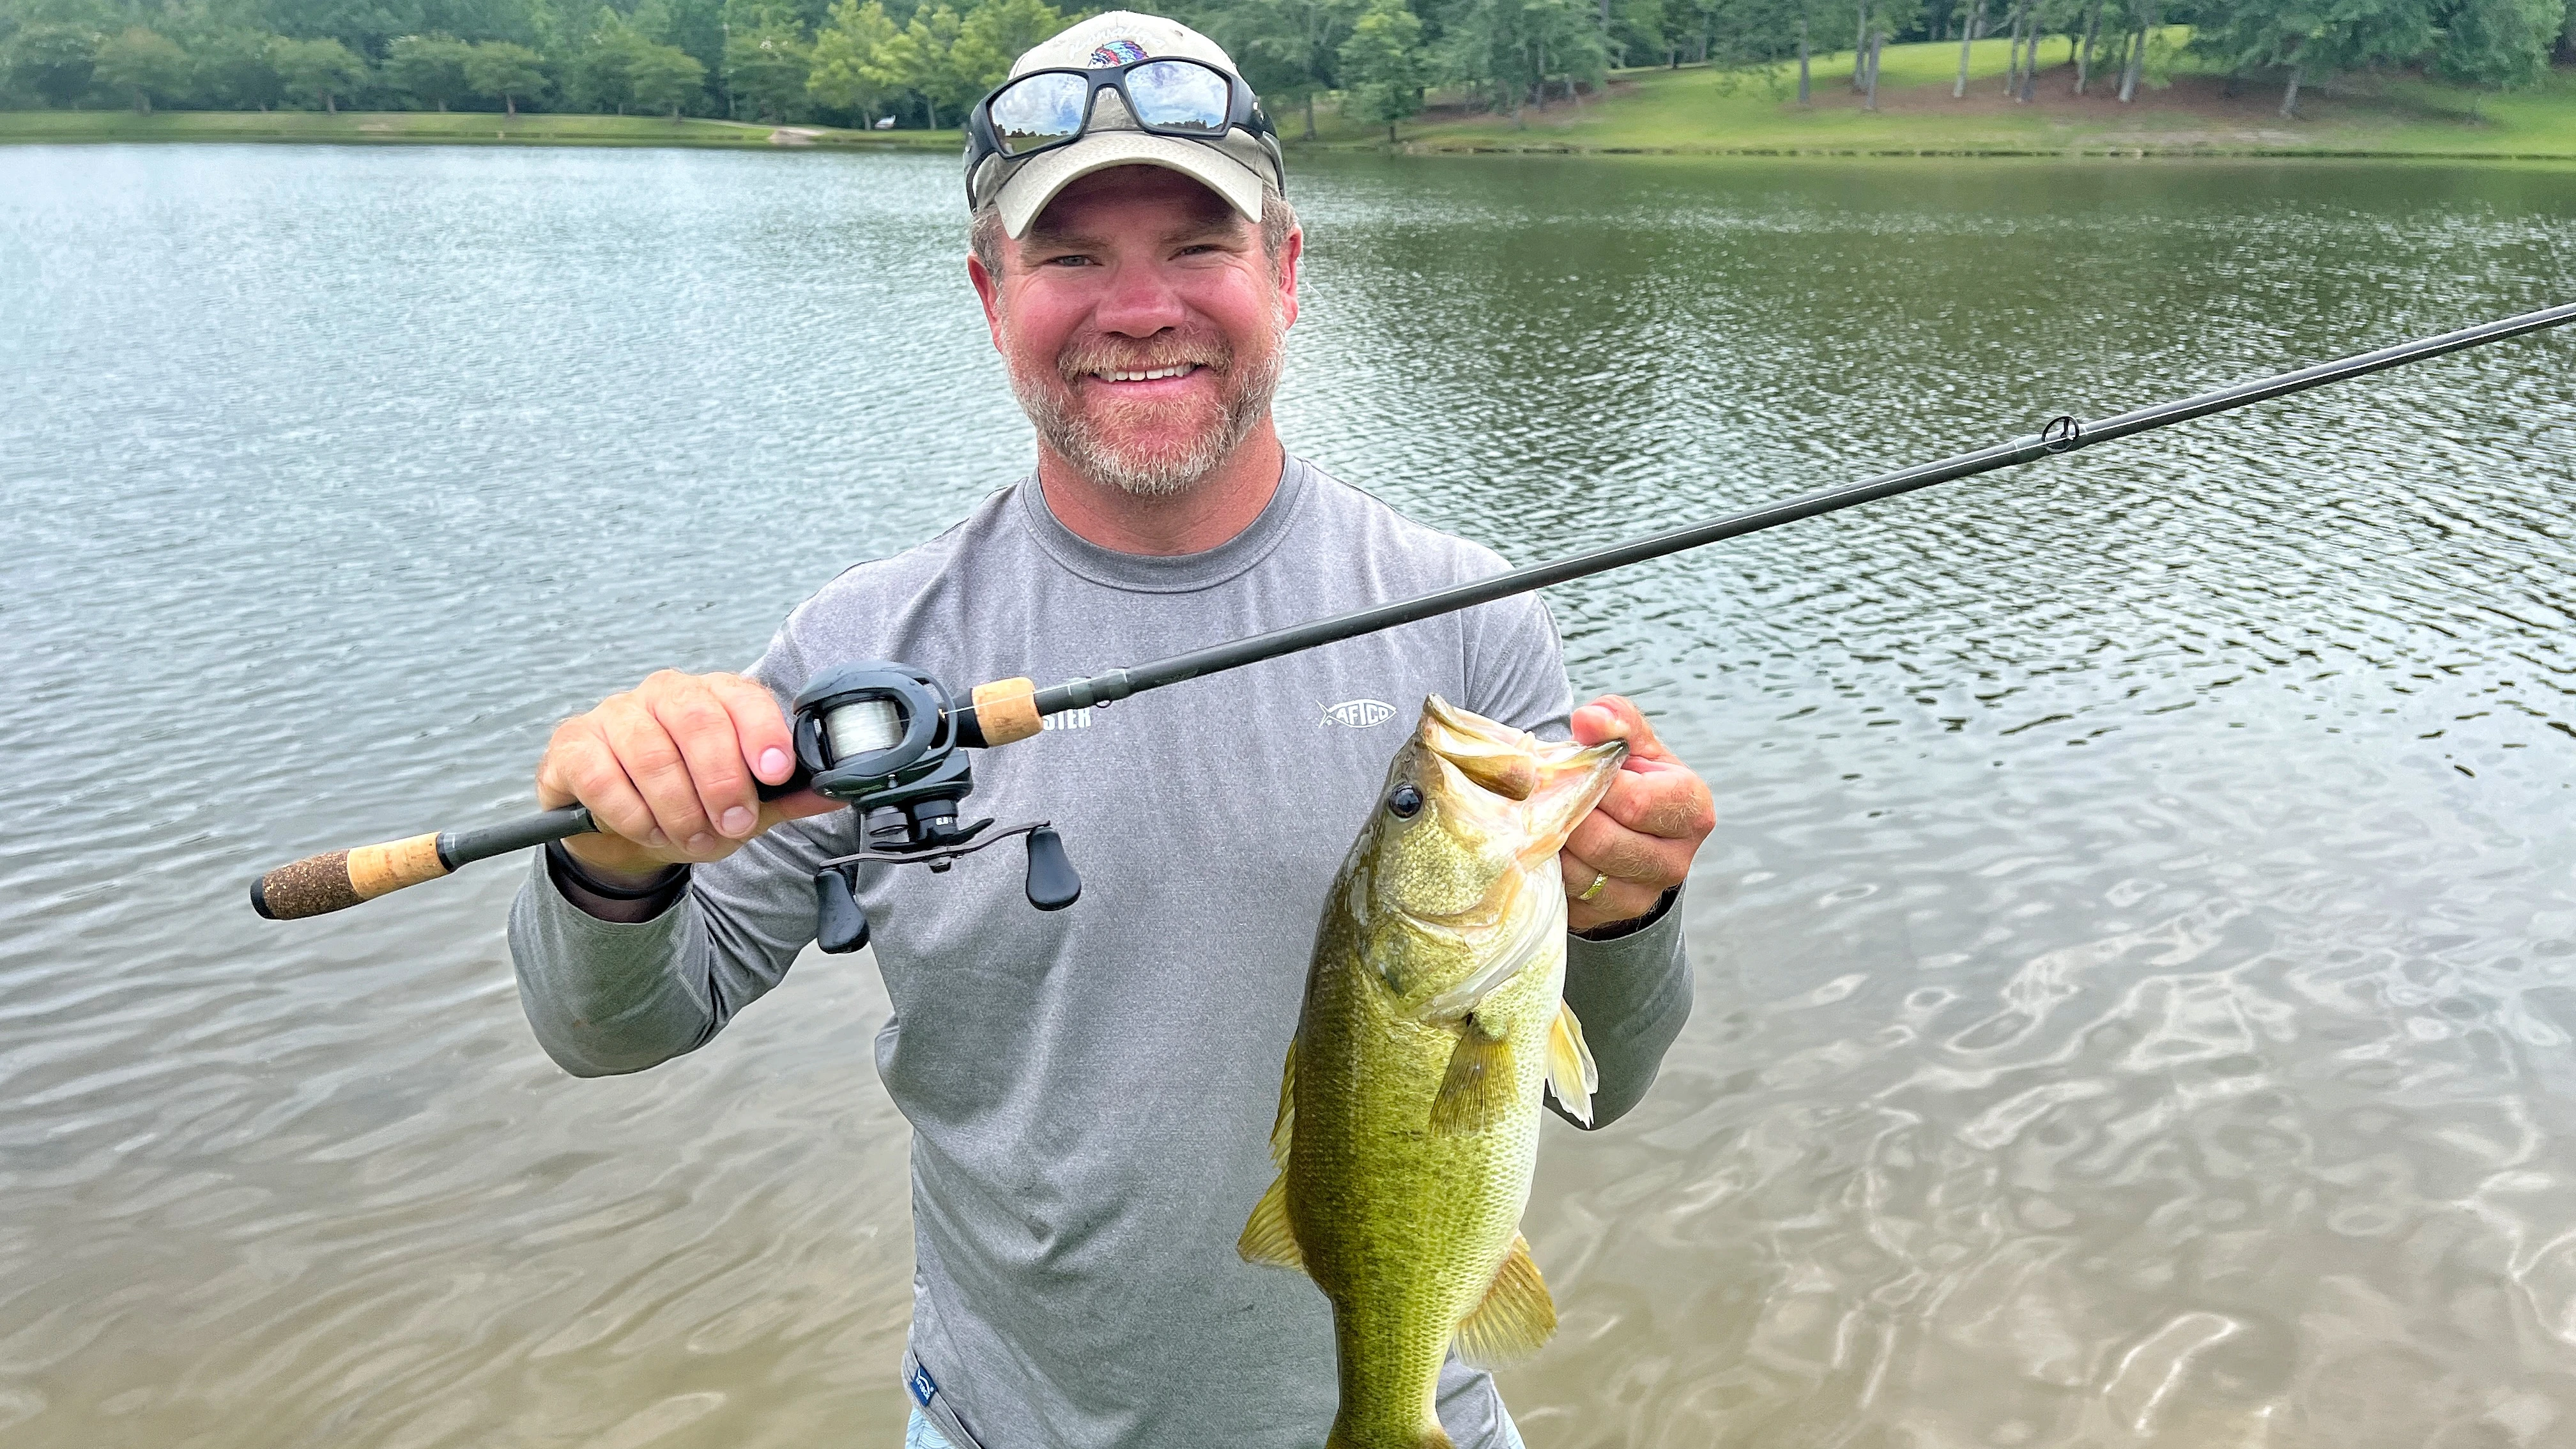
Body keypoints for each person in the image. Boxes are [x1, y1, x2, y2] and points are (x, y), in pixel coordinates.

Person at [509, 13, 1715, 1448]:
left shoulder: (1468, 619)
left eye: (1197, 247)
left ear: (1284, 270)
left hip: (1416, 1406)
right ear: (988, 291)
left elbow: (1600, 1082)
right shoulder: (866, 658)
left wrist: (1637, 913)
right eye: (1071, 256)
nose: (1138, 309)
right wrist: (616, 861)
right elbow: (614, 1028)